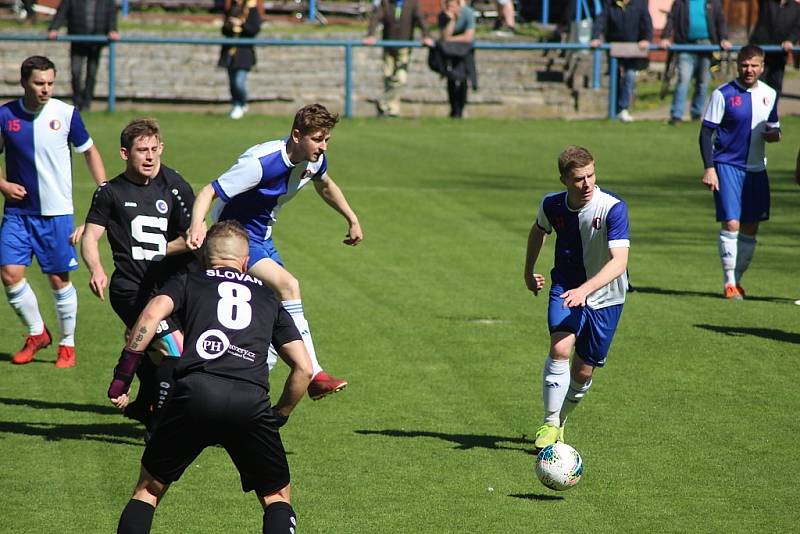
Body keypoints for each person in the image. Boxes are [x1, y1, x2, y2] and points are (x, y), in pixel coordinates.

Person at [111, 220, 313, 534]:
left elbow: (151, 315)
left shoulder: (189, 280)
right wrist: (280, 414)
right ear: (246, 263)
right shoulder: (268, 299)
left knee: (148, 490)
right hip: (250, 401)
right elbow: (304, 369)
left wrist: (124, 374)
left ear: (205, 258)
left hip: (195, 394)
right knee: (276, 496)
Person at [187, 103, 361, 400]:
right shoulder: (261, 162)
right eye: (318, 139)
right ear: (297, 135)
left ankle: (247, 398)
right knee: (288, 285)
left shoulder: (314, 160)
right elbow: (209, 191)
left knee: (269, 316)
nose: (323, 147)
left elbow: (326, 185)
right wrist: (197, 225)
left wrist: (352, 218)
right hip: (236, 238)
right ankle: (315, 374)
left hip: (264, 239)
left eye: (327, 140)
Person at [81, 118, 198, 428]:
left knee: (161, 355)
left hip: (173, 289)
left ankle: (145, 404)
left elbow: (194, 237)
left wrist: (164, 253)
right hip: (131, 289)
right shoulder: (110, 193)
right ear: (124, 153)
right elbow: (91, 237)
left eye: (154, 149)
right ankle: (159, 426)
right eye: (141, 150)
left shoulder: (175, 186)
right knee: (176, 350)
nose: (149, 157)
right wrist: (96, 268)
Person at [0, 56, 107, 368]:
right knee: (9, 273)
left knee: (59, 281)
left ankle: (67, 344)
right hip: (18, 214)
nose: (45, 89)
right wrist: (4, 186)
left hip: (56, 215)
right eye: (38, 83)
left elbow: (90, 151)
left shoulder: (66, 114)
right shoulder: (5, 116)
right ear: (23, 82)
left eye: (50, 83)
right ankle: (37, 333)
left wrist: (105, 192)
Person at [523, 146, 630, 451]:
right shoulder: (552, 205)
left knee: (582, 372)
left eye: (591, 175)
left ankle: (561, 421)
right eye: (578, 179)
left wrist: (587, 290)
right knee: (560, 346)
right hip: (567, 286)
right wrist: (529, 272)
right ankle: (550, 422)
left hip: (606, 296)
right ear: (564, 180)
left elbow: (619, 262)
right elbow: (538, 231)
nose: (587, 184)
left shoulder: (613, 207)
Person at [699, 45, 780, 300]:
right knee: (731, 222)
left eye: (754, 65)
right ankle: (729, 282)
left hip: (757, 169)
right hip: (726, 166)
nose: (749, 70)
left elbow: (774, 128)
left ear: (762, 66)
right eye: (745, 65)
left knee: (750, 227)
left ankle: (739, 280)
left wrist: (774, 135)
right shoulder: (723, 94)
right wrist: (710, 167)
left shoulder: (770, 94)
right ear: (738, 65)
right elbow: (705, 133)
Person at [660, 0, 732, 124]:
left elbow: (720, 21)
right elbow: (671, 18)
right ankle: (676, 115)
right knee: (683, 79)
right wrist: (665, 37)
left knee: (703, 81)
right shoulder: (680, 2)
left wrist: (724, 38)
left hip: (707, 45)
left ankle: (696, 114)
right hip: (685, 45)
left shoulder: (713, 2)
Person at [363, 0, 434, 118]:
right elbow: (376, 18)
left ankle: (384, 103)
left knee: (400, 78)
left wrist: (426, 36)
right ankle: (391, 109)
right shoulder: (386, 3)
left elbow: (421, 20)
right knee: (388, 75)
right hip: (388, 46)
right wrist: (371, 35)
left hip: (404, 47)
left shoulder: (413, 3)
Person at [47, 0, 120, 112]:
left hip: (96, 41)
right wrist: (54, 28)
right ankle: (77, 101)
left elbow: (111, 13)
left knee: (91, 73)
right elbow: (62, 11)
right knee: (75, 71)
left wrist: (112, 29)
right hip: (77, 40)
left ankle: (86, 103)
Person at [590, 0, 653, 122]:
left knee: (629, 76)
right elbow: (601, 21)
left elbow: (647, 22)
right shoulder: (610, 4)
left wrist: (646, 38)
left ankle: (623, 108)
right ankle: (614, 109)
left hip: (633, 47)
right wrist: (596, 37)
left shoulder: (639, 4)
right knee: (615, 78)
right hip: (614, 47)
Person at [219, 0, 264, 120]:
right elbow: (223, 30)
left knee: (239, 82)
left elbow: (254, 29)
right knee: (232, 82)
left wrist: (241, 23)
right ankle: (236, 105)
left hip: (244, 54)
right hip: (230, 53)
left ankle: (242, 103)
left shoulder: (252, 10)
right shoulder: (232, 9)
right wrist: (230, 24)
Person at [749, 0, 800, 96]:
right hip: (759, 52)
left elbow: (797, 28)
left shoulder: (796, 8)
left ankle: (772, 110)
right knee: (756, 84)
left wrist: (790, 40)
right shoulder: (767, 2)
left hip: (779, 54)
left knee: (775, 86)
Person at [437, 0, 476, 119]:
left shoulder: (468, 13)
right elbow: (443, 37)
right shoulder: (443, 15)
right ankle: (453, 109)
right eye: (448, 6)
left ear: (459, 5)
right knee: (451, 78)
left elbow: (468, 37)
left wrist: (450, 40)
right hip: (449, 52)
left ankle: (460, 109)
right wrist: (451, 20)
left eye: (453, 5)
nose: (450, 8)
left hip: (464, 51)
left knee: (463, 79)